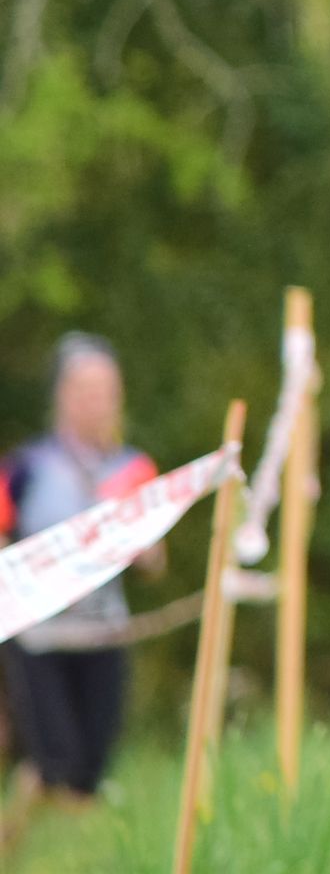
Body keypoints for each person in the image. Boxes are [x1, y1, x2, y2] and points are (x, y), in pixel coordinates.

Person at [2, 337, 161, 809]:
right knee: (59, 764)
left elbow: (156, 561)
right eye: (86, 390)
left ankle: (33, 826)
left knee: (90, 769)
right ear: (63, 396)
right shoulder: (27, 467)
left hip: (104, 634)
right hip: (40, 639)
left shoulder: (133, 468)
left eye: (107, 391)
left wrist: (143, 551)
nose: (97, 402)